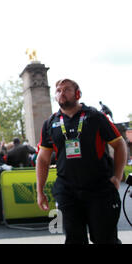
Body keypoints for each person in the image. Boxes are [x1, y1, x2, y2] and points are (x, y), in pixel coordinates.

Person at [36, 78, 127, 244]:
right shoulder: (50, 123)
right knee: (74, 239)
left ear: (78, 94)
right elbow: (42, 159)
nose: (61, 93)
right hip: (67, 191)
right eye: (58, 91)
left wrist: (117, 176)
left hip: (99, 189)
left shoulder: (95, 117)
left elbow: (119, 144)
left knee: (105, 239)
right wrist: (39, 190)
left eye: (66, 89)